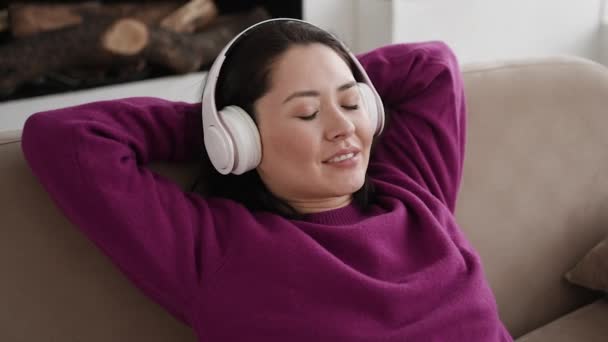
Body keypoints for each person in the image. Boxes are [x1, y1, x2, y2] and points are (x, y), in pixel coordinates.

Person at [21, 18, 513, 341]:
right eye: (307, 113)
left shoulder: (413, 188)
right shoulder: (215, 247)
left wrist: (330, 83)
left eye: (349, 102)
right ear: (242, 138)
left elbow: (431, 66)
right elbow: (64, 137)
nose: (343, 126)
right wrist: (215, 127)